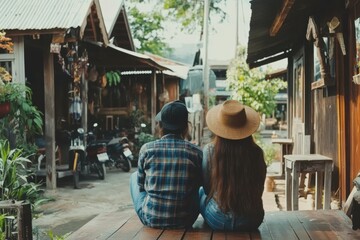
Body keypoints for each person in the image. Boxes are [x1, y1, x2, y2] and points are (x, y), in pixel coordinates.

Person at [129, 100, 203, 229]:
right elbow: (200, 184)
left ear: (161, 126)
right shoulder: (196, 152)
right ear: (186, 126)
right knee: (200, 189)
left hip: (151, 219)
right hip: (186, 220)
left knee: (134, 177)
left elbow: (141, 185)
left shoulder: (147, 149)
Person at [200, 99, 266, 231]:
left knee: (200, 192)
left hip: (218, 219)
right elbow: (259, 189)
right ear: (246, 127)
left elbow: (207, 188)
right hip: (252, 219)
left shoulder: (209, 150)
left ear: (220, 126)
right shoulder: (257, 152)